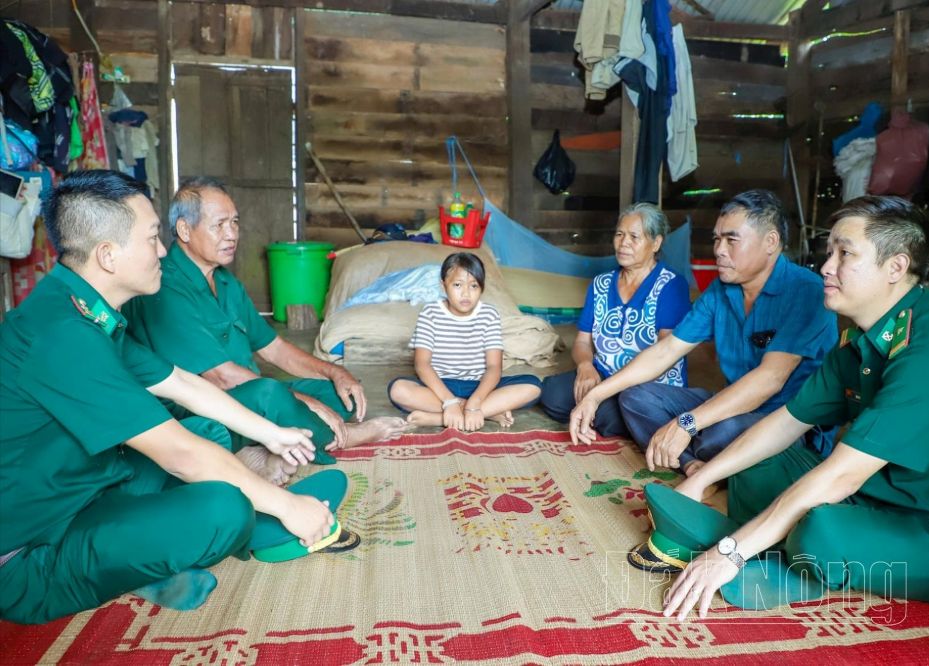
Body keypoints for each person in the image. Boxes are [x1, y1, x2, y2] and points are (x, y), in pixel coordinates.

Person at [0, 170, 356, 625]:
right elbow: (179, 454)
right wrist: (288, 506)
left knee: (206, 433)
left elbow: (181, 383)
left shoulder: (81, 306)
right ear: (108, 255)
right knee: (225, 507)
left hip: (86, 490)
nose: (163, 251)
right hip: (32, 553)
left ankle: (151, 551)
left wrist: (272, 433)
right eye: (152, 238)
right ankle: (136, 567)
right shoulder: (63, 336)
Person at [644, 196, 929, 620]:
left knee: (822, 533)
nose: (826, 267)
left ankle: (792, 561)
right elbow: (785, 422)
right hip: (876, 497)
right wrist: (701, 483)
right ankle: (778, 542)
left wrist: (729, 552)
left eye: (845, 254)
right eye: (829, 252)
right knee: (756, 459)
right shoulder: (862, 341)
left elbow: (844, 474)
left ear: (895, 267)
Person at [125, 177, 409, 477]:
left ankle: (261, 447)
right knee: (271, 394)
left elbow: (273, 348)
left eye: (235, 223)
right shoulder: (166, 287)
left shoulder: (225, 282)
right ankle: (344, 437)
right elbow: (221, 377)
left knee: (338, 395)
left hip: (247, 394)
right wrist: (306, 404)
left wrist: (335, 372)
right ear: (184, 229)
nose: (231, 234)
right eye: (219, 225)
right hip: (197, 412)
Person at [570, 190, 838, 476]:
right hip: (732, 404)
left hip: (787, 420)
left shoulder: (806, 291)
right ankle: (691, 464)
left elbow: (769, 380)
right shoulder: (721, 290)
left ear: (770, 242)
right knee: (634, 398)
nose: (719, 250)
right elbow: (667, 350)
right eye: (717, 239)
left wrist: (687, 423)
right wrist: (595, 395)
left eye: (731, 240)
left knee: (717, 433)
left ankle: (696, 454)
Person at [538, 203, 690, 437]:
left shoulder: (670, 285)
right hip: (603, 374)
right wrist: (586, 366)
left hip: (646, 385)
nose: (623, 242)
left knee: (623, 409)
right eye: (619, 234)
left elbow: (666, 355)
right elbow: (582, 342)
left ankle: (600, 412)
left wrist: (601, 393)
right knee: (553, 394)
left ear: (656, 243)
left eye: (634, 237)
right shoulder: (601, 284)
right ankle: (600, 412)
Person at [387, 252, 542, 431]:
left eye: (474, 286)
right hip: (439, 386)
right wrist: (449, 401)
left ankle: (440, 418)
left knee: (533, 386)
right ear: (443, 286)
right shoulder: (430, 313)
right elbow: (422, 365)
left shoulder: (489, 314)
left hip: (479, 386)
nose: (466, 293)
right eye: (457, 285)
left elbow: (494, 367)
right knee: (398, 390)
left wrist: (475, 402)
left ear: (482, 288)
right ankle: (487, 413)